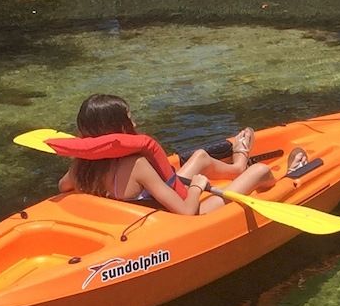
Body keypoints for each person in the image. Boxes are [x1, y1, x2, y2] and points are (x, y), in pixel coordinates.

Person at [51, 93, 286, 216]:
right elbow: (186, 211)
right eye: (129, 116)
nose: (135, 120)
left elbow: (64, 186)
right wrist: (197, 185)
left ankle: (237, 167)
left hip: (154, 204)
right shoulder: (137, 164)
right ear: (119, 128)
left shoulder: (82, 163)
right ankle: (290, 177)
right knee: (261, 170)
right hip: (188, 214)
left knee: (201, 157)